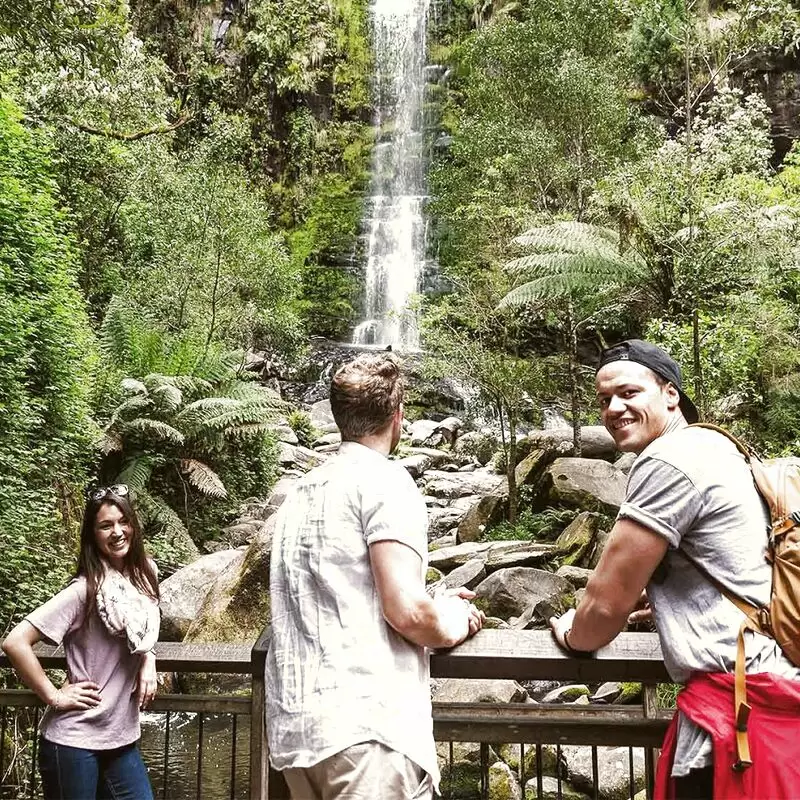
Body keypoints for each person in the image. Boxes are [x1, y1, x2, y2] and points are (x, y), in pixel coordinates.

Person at [549, 339, 800, 799]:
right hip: (778, 686)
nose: (614, 408)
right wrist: (663, 593)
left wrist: (569, 632)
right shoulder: (720, 446)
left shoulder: (667, 461)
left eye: (629, 393)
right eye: (605, 399)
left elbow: (602, 610)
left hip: (736, 713)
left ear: (670, 393)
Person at [265, 354, 485, 800]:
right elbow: (407, 613)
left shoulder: (300, 494)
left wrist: (433, 597)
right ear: (397, 417)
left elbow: (343, 590)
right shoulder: (385, 482)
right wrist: (456, 617)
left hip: (296, 732)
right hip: (364, 731)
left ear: (339, 416)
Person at [2, 484, 160, 800]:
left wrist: (149, 658)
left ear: (133, 525)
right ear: (93, 534)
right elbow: (15, 641)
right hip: (73, 742)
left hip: (120, 739)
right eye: (105, 525)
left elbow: (142, 635)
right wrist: (54, 696)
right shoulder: (83, 591)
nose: (117, 532)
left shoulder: (145, 576)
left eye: (122, 521)